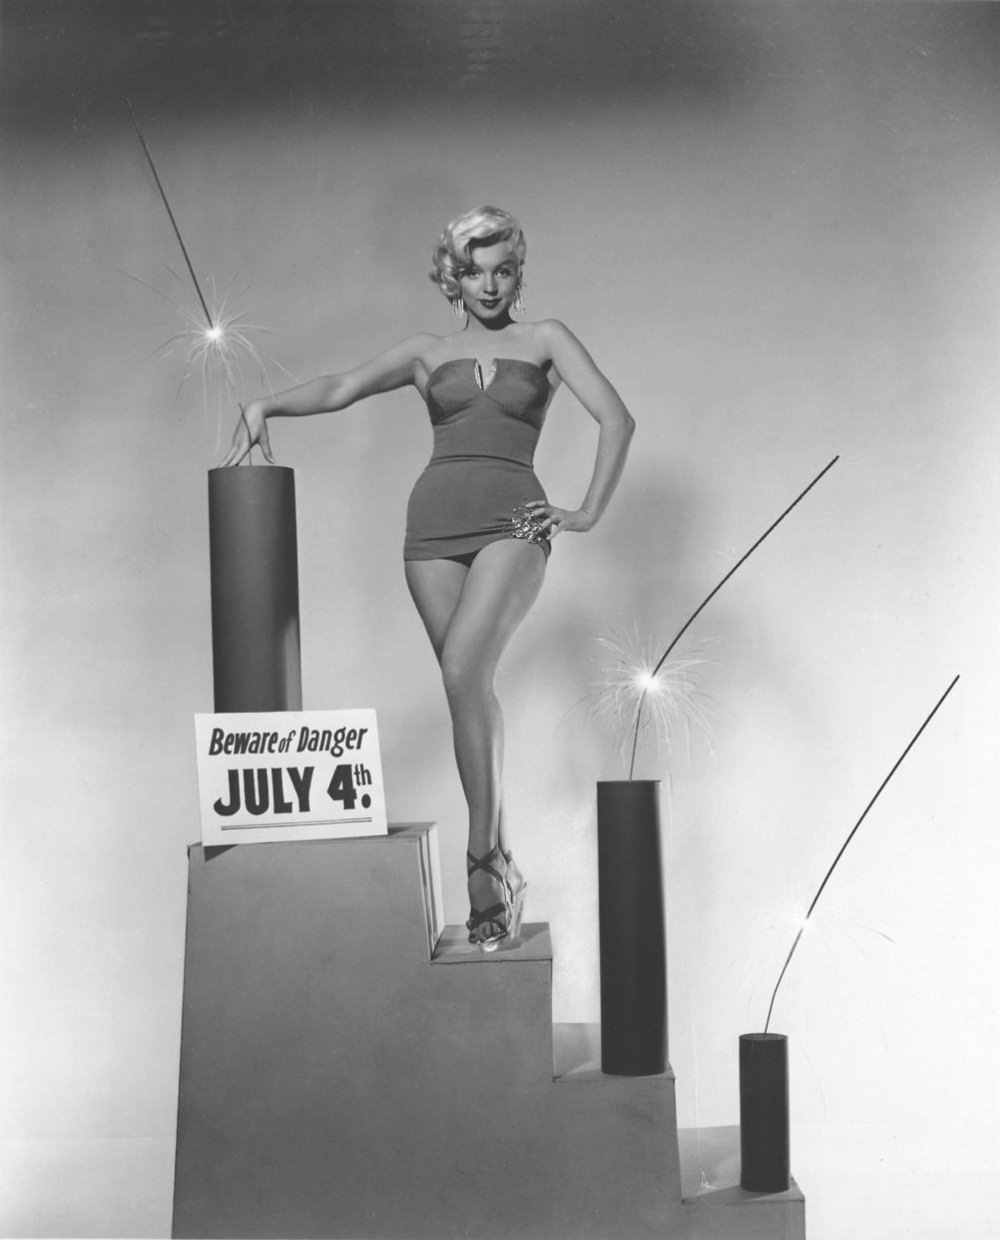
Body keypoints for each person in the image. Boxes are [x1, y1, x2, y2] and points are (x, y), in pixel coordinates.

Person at [222, 206, 634, 951]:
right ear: (453, 273)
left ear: (519, 271)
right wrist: (265, 403)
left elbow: (617, 419)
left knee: (462, 668)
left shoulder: (546, 340)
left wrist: (586, 513)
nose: (490, 283)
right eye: (475, 269)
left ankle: (481, 865)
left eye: (504, 268)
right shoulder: (424, 351)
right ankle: (505, 860)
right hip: (430, 535)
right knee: (466, 685)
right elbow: (343, 385)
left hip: (516, 525)